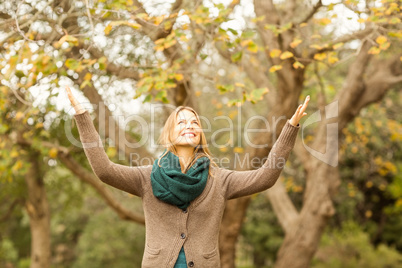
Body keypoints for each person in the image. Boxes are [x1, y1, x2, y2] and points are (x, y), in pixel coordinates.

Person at [65, 85, 309, 268]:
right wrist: (83, 118)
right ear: (169, 133)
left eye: (194, 122)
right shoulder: (146, 177)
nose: (189, 125)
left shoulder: (219, 179)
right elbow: (104, 170)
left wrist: (290, 128)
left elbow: (265, 177)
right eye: (181, 122)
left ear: (200, 134)